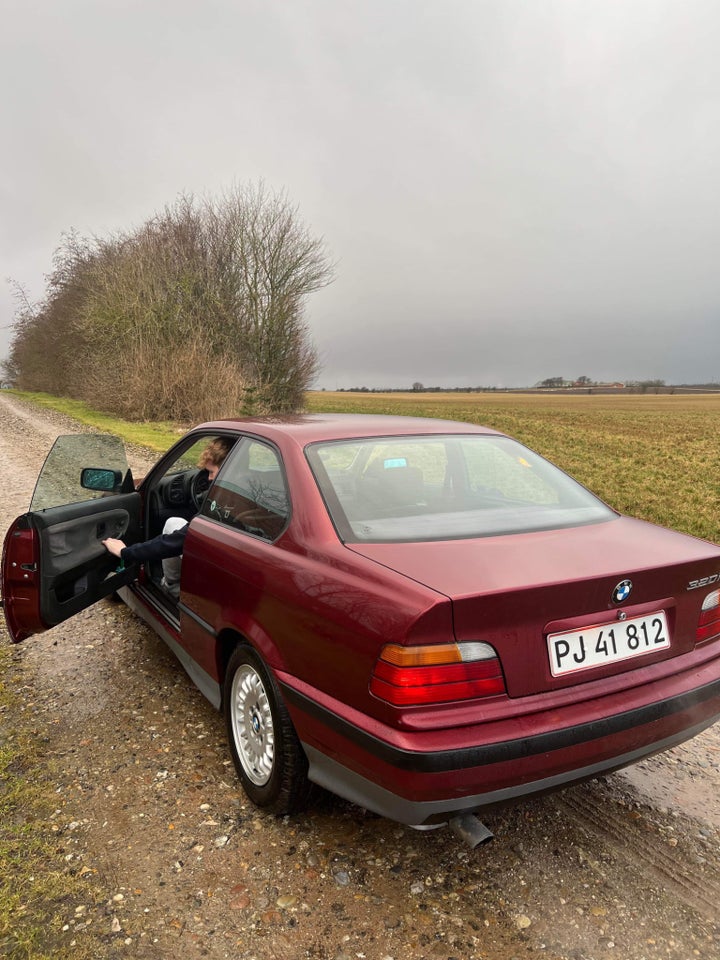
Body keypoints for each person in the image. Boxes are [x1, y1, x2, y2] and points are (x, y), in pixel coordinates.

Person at [102, 437, 232, 599]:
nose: (209, 479)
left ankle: (171, 586)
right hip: (234, 561)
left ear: (229, 470)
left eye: (212, 472)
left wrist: (125, 552)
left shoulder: (224, 501)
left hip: (223, 567)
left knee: (172, 524)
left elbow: (176, 541)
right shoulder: (250, 492)